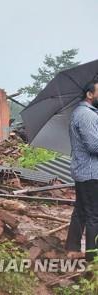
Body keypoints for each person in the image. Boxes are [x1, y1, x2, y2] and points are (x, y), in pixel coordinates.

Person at [65, 80, 98, 261]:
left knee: (81, 211)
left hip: (84, 171)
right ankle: (93, 259)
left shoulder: (86, 113)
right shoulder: (87, 115)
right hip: (92, 172)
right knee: (94, 215)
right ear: (89, 94)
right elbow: (94, 145)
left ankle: (72, 248)